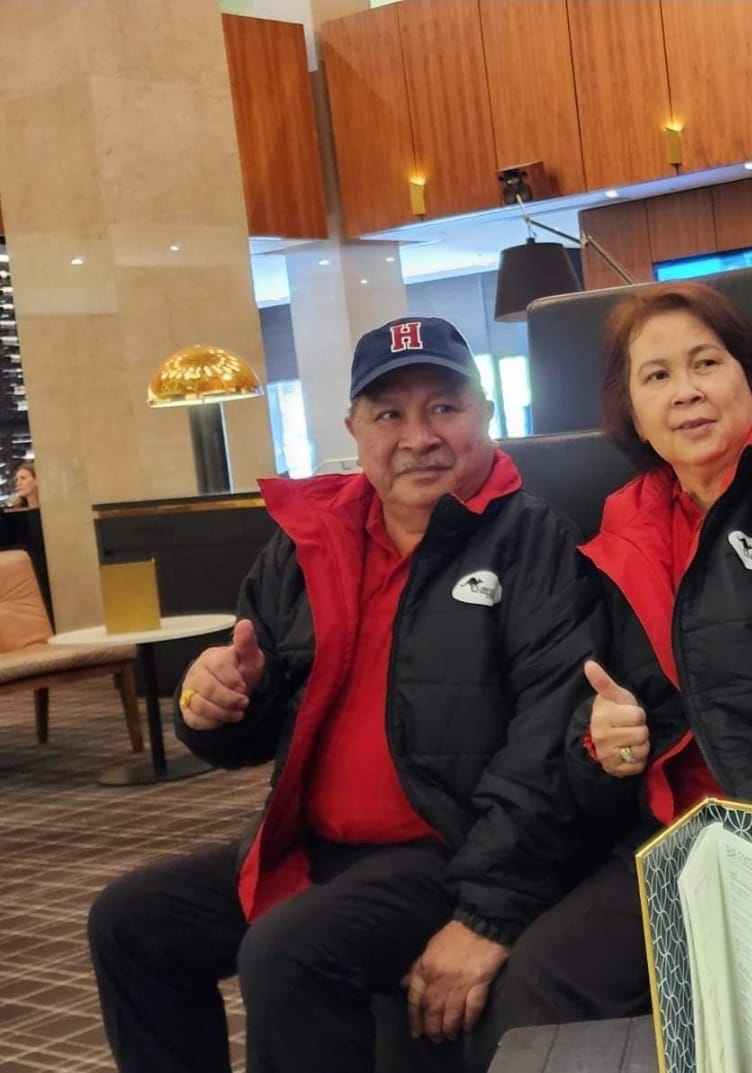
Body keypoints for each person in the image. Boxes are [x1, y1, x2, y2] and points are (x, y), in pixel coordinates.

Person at [87, 316, 604, 1073]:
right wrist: (214, 705)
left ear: (486, 413)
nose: (418, 436)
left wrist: (487, 913)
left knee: (286, 953)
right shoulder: (310, 542)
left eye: (444, 407)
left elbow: (550, 743)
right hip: (312, 843)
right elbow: (249, 716)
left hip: (446, 847)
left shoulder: (535, 543)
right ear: (354, 430)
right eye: (389, 414)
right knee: (130, 922)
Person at [465, 281, 752, 1062]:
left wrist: (747, 832)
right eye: (656, 376)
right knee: (539, 985)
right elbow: (607, 701)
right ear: (632, 411)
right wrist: (601, 741)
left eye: (706, 363)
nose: (685, 391)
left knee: (722, 999)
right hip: (674, 836)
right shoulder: (629, 519)